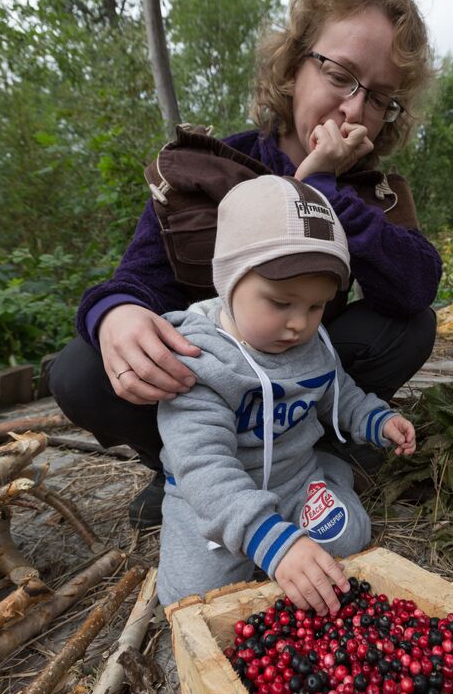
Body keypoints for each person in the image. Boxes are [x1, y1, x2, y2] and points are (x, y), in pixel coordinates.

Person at [49, 0, 441, 528]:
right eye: (340, 76)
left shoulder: (374, 191)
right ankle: (186, 469)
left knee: (411, 325)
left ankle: (318, 448)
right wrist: (116, 315)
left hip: (305, 370)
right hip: (207, 381)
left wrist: (326, 191)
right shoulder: (209, 167)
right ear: (294, 66)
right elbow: (136, 277)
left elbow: (415, 287)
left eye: (379, 98)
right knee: (81, 371)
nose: (354, 110)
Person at [156, 176, 416, 610]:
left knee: (351, 539)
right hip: (212, 496)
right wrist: (271, 541)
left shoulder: (310, 345)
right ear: (230, 281)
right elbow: (202, 467)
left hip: (295, 478)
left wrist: (377, 419)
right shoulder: (199, 360)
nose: (299, 324)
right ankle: (257, 536)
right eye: (280, 303)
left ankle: (330, 474)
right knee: (194, 599)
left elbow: (339, 392)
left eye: (316, 307)